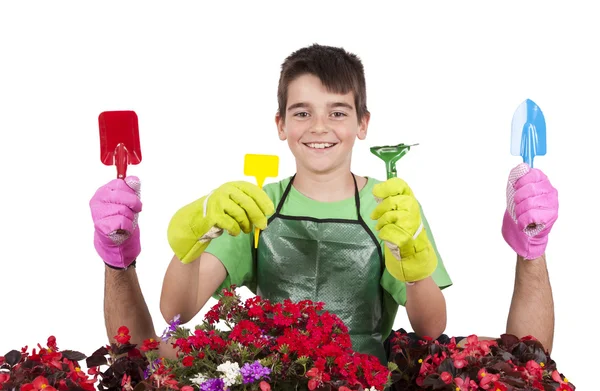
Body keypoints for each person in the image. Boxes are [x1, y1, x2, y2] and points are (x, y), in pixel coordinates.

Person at [91, 45, 557, 362]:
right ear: (280, 124)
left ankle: (531, 248)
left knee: (520, 363)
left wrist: (413, 261)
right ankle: (117, 255)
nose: (319, 127)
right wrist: (194, 237)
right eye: (302, 112)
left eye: (338, 112)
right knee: (155, 352)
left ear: (362, 123)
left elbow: (430, 327)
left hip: (368, 381)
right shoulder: (256, 204)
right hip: (272, 378)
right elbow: (178, 310)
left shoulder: (389, 205)